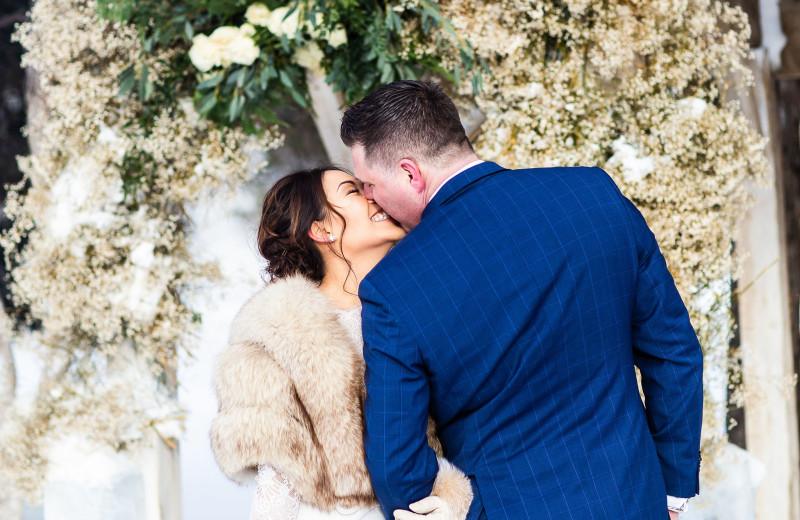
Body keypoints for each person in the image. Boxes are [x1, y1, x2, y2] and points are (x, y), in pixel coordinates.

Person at [340, 80, 704, 520]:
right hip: (633, 498)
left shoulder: (391, 287)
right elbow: (674, 352)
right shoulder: (594, 196)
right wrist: (671, 489)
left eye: (369, 183)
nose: (370, 197)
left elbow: (397, 469)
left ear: (410, 173)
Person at [209, 166, 474, 520]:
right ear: (322, 229)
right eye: (353, 191)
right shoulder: (278, 334)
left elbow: (466, 430)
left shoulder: (428, 306)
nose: (373, 196)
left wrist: (454, 501)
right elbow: (277, 479)